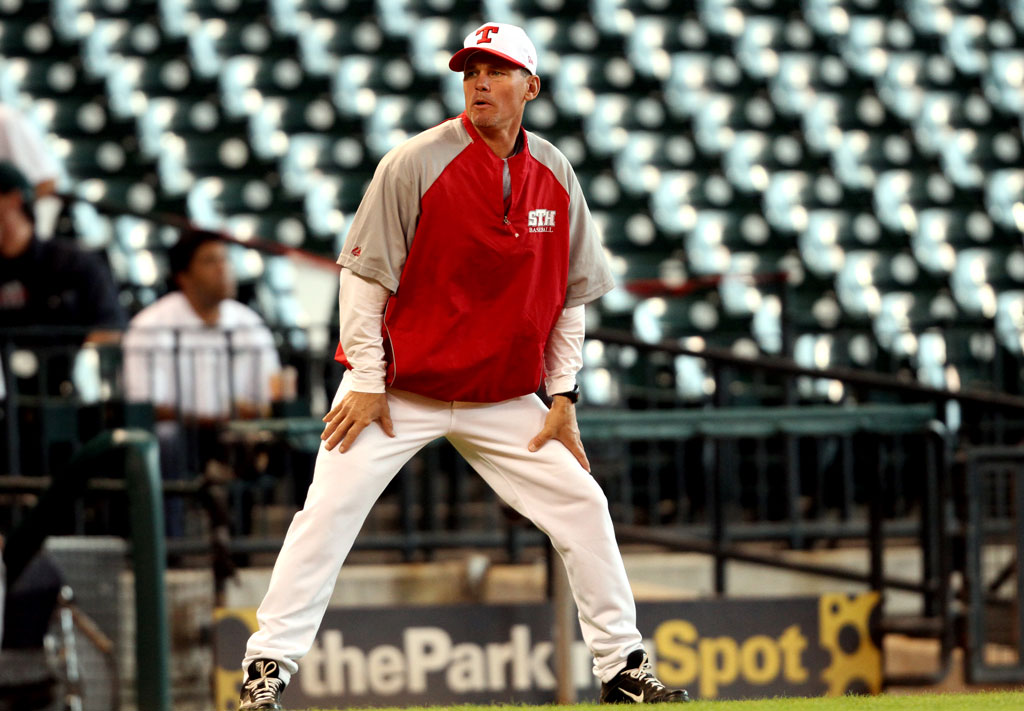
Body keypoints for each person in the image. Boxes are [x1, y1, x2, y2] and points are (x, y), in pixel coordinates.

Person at [237, 22, 689, 710]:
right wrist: (364, 378)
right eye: (471, 69)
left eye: (497, 70)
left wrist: (562, 395)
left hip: (500, 395)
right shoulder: (413, 162)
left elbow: (570, 298)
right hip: (400, 388)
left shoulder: (557, 173)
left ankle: (622, 667)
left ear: (531, 87)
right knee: (325, 515)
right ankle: (264, 670)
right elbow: (362, 280)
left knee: (583, 506)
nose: (480, 80)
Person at [122, 230, 285, 536]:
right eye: (210, 261)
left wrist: (241, 417)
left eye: (225, 259)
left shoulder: (249, 323)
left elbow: (268, 397)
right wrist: (216, 418)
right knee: (164, 440)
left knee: (264, 439)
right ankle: (168, 545)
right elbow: (146, 407)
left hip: (230, 430)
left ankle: (244, 547)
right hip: (183, 431)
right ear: (182, 276)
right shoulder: (149, 325)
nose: (223, 268)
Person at [0, 160, 124, 399]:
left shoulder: (73, 262)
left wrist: (81, 372)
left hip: (68, 397)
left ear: (14, 200)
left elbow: (109, 325)